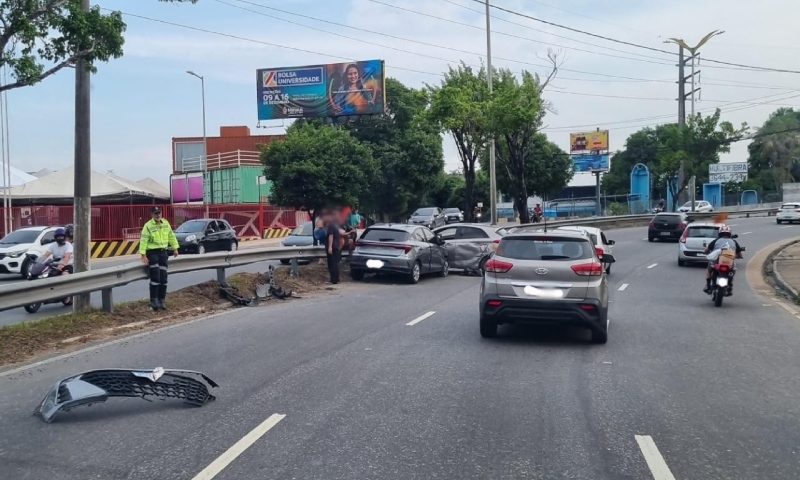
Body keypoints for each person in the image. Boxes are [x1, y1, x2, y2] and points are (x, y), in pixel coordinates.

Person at [139, 206, 179, 310]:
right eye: (155, 213)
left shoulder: (165, 223)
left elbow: (171, 236)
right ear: (151, 214)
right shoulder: (147, 226)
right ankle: (153, 300)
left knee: (164, 277)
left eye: (159, 213)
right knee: (155, 276)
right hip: (152, 253)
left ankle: (162, 300)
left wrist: (175, 248)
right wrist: (143, 255)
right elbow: (143, 240)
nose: (158, 215)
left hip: (163, 253)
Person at [702, 224, 743, 294]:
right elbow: (739, 254)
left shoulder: (716, 241)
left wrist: (706, 252)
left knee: (709, 269)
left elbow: (706, 250)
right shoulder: (734, 242)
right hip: (729, 263)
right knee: (732, 272)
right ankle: (730, 287)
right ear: (729, 234)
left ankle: (708, 285)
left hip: (717, 263)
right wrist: (738, 256)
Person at [326, 210, 343, 284]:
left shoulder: (331, 225)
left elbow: (331, 235)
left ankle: (333, 280)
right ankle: (336, 278)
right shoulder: (336, 225)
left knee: (331, 264)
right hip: (337, 247)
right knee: (336, 264)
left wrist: (330, 247)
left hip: (332, 247)